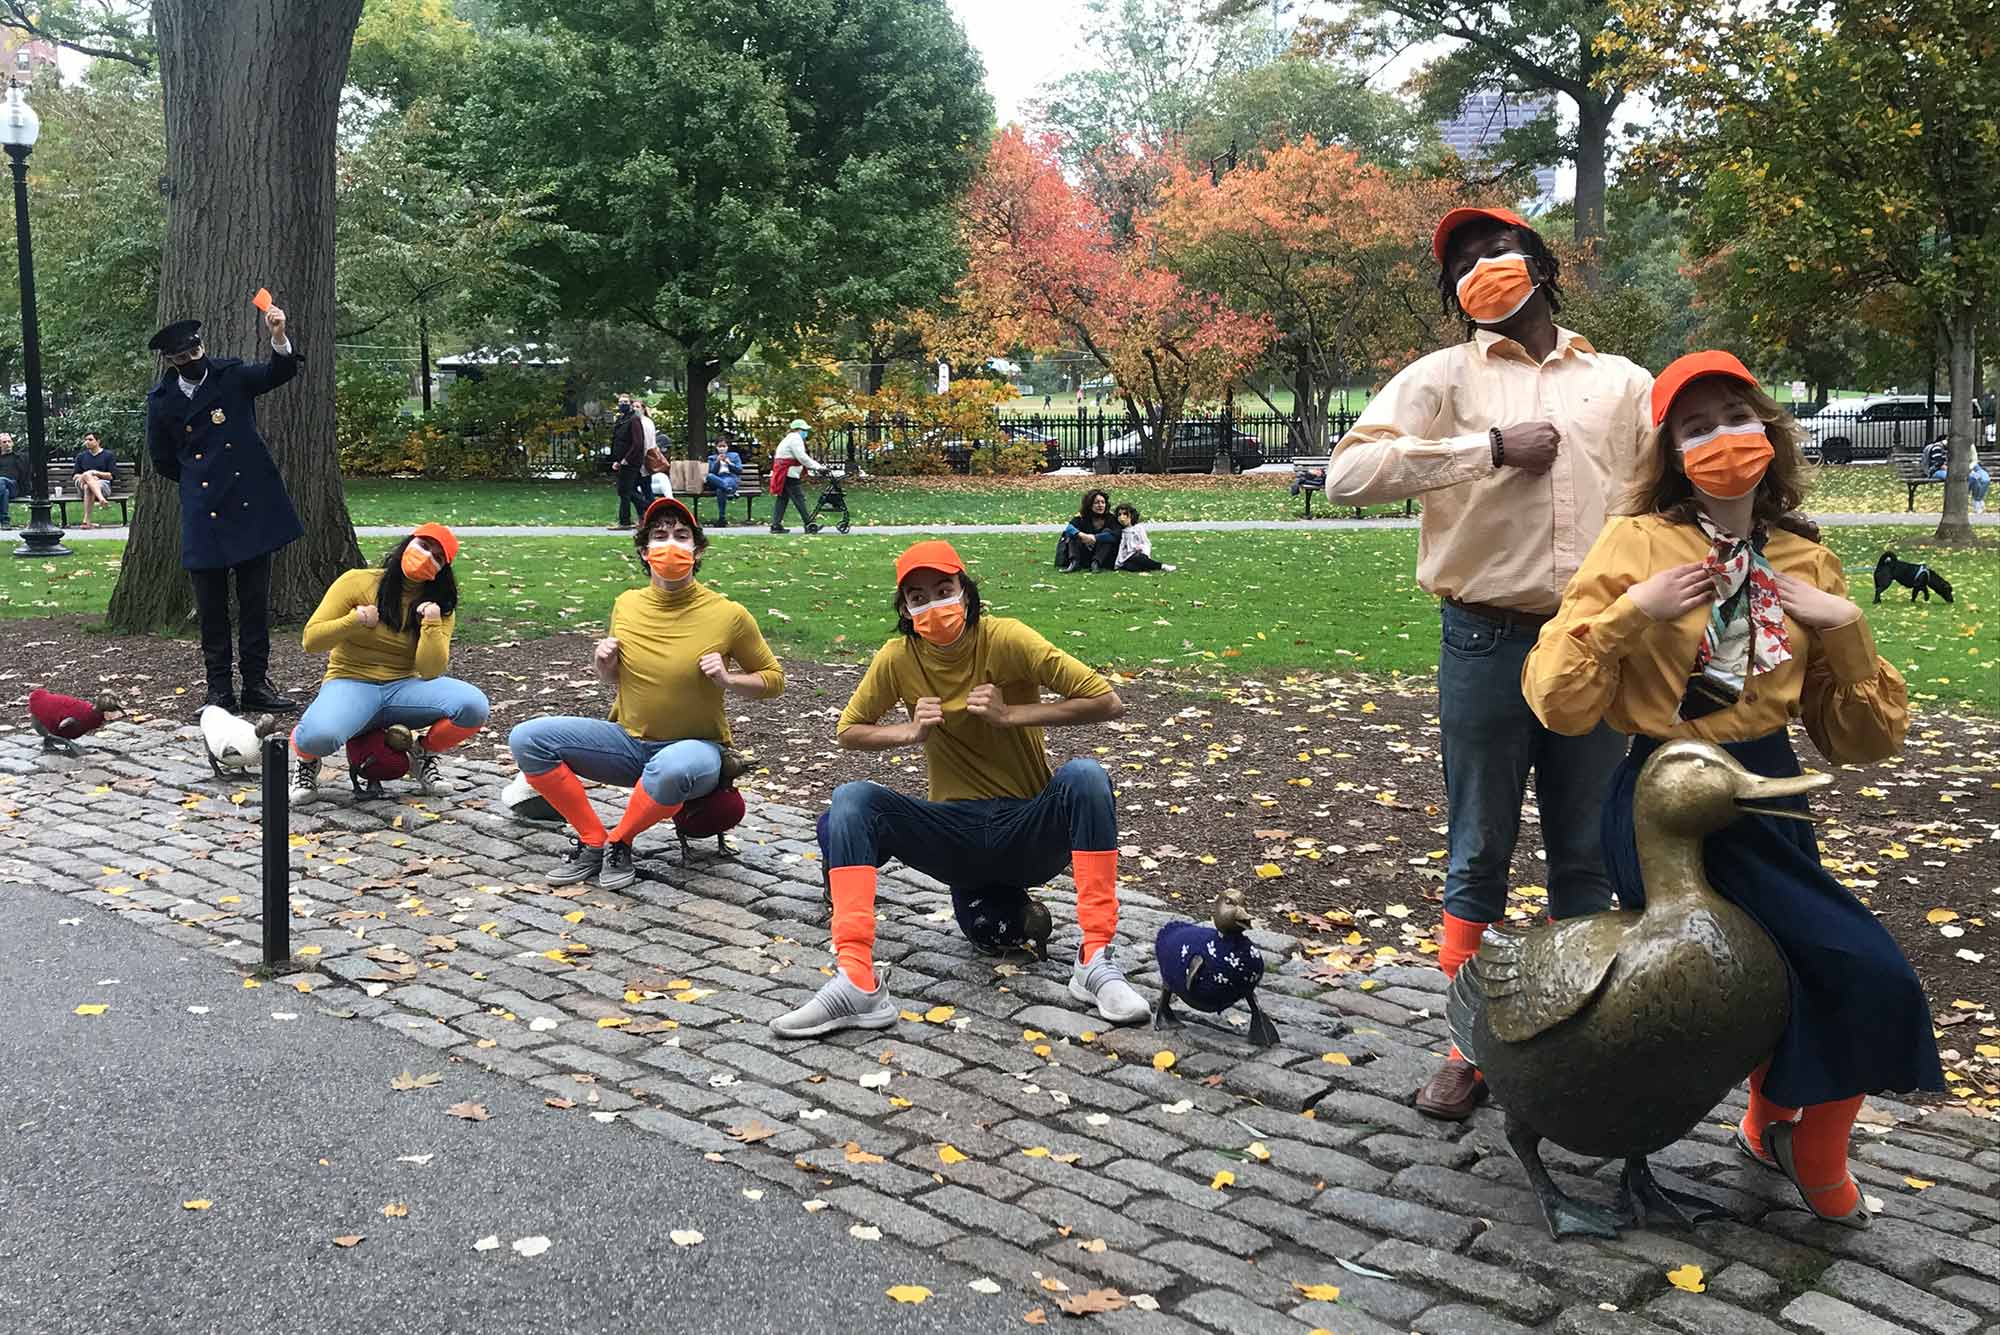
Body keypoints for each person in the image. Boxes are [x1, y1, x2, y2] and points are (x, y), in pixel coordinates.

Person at [1523, 349, 1943, 1228]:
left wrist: (1851, 630)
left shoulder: (1804, 559)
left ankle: (1783, 1134)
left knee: (1836, 975)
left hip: (1771, 790)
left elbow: (1861, 741)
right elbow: (1560, 703)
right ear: (1672, 451)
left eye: (1735, 417)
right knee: (1806, 973)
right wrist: (1635, 608)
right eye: (1696, 426)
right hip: (1664, 801)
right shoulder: (1636, 542)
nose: (1722, 439)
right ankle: (1735, 1135)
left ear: (1769, 431)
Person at [1325, 205, 1655, 1121]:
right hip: (1485, 639)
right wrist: (1486, 450)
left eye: (1499, 249)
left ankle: (1564, 1037)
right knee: (1479, 850)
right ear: (1455, 295)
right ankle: (1466, 1046)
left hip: (1593, 645)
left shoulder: (1623, 382)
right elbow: (1346, 477)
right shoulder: (1442, 378)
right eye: (1464, 263)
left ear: (1541, 263)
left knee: (1586, 857)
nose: (1485, 267)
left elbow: (1665, 493)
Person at [772, 540, 1149, 1038]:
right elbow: (849, 730)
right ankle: (856, 981)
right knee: (851, 801)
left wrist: (1011, 714)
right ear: (905, 610)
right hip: (957, 836)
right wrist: (909, 732)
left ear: (965, 594)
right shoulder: (898, 658)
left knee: (1086, 777)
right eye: (918, 597)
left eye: (944, 590)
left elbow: (1106, 701)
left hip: (1026, 827)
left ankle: (1096, 959)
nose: (933, 606)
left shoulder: (1006, 638)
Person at [507, 496, 783, 891]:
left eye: (682, 535)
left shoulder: (729, 614)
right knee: (528, 739)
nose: (671, 544)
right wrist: (603, 664)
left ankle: (621, 841)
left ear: (698, 549)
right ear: (643, 551)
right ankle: (592, 840)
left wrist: (728, 680)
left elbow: (774, 679)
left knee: (669, 768)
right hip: (628, 743)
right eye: (659, 536)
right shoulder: (627, 604)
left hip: (697, 750)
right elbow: (617, 679)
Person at [145, 307, 305, 715]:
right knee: (212, 610)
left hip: (247, 506)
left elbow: (277, 373)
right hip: (203, 514)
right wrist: (199, 481)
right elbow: (163, 459)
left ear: (203, 346)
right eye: (181, 358)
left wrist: (279, 335)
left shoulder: (231, 377)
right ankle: (219, 691)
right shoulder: (162, 402)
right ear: (170, 361)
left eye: (194, 351)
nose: (191, 361)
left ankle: (255, 684)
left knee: (254, 605)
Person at [288, 523, 490, 805]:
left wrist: (431, 623)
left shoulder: (440, 605)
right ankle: (307, 760)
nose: (426, 556)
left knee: (473, 706)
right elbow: (311, 641)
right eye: (423, 545)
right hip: (351, 682)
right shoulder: (357, 581)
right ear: (408, 543)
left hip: (403, 688)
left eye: (438, 557)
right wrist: (354, 621)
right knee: (318, 737)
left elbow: (430, 670)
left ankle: (423, 753)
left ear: (443, 569)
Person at [769, 418, 822, 533]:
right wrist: (819, 467)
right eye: (804, 430)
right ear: (798, 429)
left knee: (782, 499)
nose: (806, 433)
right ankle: (809, 524)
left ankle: (776, 525)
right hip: (789, 474)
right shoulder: (795, 439)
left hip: (785, 473)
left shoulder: (789, 438)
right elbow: (801, 457)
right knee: (799, 499)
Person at [607, 394, 646, 530]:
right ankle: (643, 513)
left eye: (625, 402)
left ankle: (625, 521)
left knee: (625, 491)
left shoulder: (634, 420)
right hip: (622, 460)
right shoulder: (621, 420)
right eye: (620, 402)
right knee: (627, 491)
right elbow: (617, 441)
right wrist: (617, 460)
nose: (622, 404)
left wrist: (626, 459)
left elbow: (638, 443)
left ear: (630, 403)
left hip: (631, 461)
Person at [1921, 436, 1988, 513]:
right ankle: (1960, 501)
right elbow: (1940, 465)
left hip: (1948, 470)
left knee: (1971, 478)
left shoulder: (1947, 448)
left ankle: (1966, 499)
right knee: (1957, 477)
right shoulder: (1937, 448)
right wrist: (1955, 471)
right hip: (1936, 471)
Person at [1061, 489, 1121, 572]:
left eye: (1103, 502)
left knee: (1107, 533)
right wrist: (1082, 535)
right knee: (1073, 534)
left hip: (1104, 557)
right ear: (1089, 505)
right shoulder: (1082, 517)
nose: (1100, 505)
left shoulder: (1111, 518)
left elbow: (1117, 534)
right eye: (1097, 503)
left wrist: (1095, 537)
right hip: (1084, 554)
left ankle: (1096, 564)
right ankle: (1074, 563)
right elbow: (1069, 528)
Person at [71, 432, 118, 528]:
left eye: (90, 439)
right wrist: (87, 476)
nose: (87, 442)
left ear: (98, 441)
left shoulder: (108, 455)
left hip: (102, 486)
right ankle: (101, 499)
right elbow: (75, 476)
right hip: (81, 486)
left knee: (88, 485)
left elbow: (111, 476)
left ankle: (86, 521)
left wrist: (96, 473)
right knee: (88, 476)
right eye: (86, 440)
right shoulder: (81, 456)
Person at [1112, 503, 1173, 572]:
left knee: (1139, 559)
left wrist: (1142, 549)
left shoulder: (1138, 528)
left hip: (1138, 555)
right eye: (1119, 514)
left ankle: (1161, 566)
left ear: (1131, 515)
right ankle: (1152, 566)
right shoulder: (1119, 530)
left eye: (1125, 514)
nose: (1122, 517)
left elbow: (1146, 543)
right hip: (1126, 558)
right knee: (1131, 566)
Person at [706, 436, 743, 527]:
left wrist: (729, 463)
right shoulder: (711, 458)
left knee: (720, 490)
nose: (722, 448)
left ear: (727, 447)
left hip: (729, 478)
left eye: (724, 446)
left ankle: (721, 519)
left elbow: (739, 470)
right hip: (718, 478)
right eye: (720, 446)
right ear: (716, 447)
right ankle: (729, 490)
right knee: (709, 476)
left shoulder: (734, 456)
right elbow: (712, 472)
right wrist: (717, 462)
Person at [0, 432, 24, 530]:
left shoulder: (18, 457)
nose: (7, 444)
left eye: (9, 441)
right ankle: (5, 521)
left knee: (1, 480)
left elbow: (24, 476)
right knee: (4, 492)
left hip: (14, 487)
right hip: (3, 489)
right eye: (4, 442)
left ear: (13, 443)